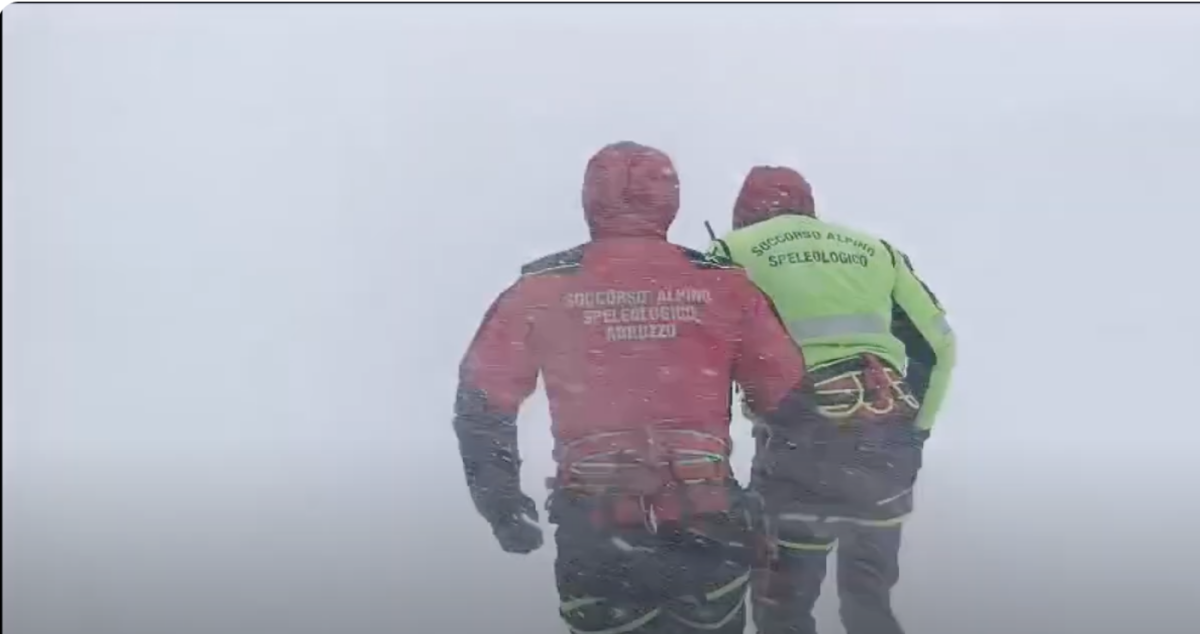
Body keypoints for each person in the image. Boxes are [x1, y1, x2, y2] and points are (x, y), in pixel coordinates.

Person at [451, 143, 819, 634]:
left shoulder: (541, 289)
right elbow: (792, 402)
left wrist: (502, 506)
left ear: (589, 200)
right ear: (671, 201)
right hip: (707, 529)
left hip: (598, 536)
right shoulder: (725, 287)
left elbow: (481, 405)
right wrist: (775, 503)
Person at [709, 166, 957, 634]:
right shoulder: (877, 250)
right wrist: (915, 433)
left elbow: (706, 354)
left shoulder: (731, 251)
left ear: (743, 214)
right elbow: (940, 346)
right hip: (883, 447)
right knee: (869, 605)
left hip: (800, 447)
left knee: (783, 608)